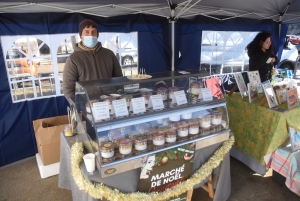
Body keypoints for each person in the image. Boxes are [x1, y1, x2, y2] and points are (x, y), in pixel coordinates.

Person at [63, 19, 123, 99]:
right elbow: (68, 89)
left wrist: (118, 97)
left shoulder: (109, 54)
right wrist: (78, 106)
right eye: (87, 32)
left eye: (93, 32)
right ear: (81, 35)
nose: (90, 35)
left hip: (111, 100)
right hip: (88, 103)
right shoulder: (73, 59)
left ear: (97, 35)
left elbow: (119, 79)